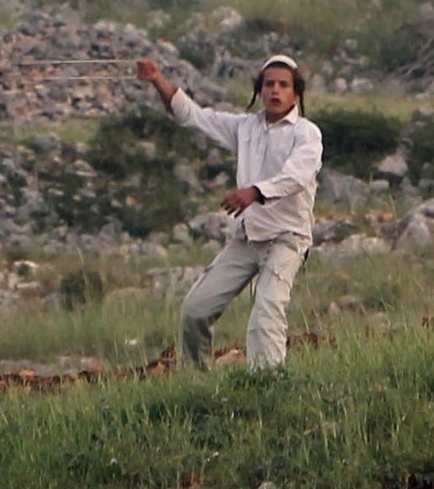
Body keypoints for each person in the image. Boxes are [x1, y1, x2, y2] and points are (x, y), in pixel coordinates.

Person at [134, 53, 323, 371]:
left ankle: (266, 388)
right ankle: (197, 385)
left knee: (266, 311)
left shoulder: (306, 133)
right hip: (247, 238)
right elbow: (192, 115)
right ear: (260, 91)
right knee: (195, 309)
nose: (275, 91)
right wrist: (157, 80)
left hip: (287, 238)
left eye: (283, 85)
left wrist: (255, 192)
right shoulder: (245, 127)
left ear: (295, 92)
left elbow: (297, 175)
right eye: (269, 85)